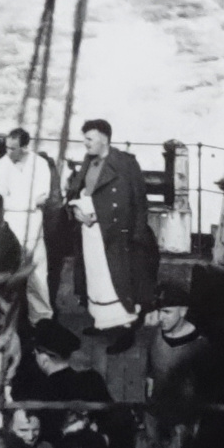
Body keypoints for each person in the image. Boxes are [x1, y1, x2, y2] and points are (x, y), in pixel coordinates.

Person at [67, 119, 159, 354]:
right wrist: (76, 212)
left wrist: (137, 239)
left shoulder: (126, 163)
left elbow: (140, 202)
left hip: (117, 236)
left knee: (117, 282)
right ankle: (102, 322)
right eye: (84, 138)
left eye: (89, 138)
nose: (85, 143)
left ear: (104, 139)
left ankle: (125, 331)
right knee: (97, 281)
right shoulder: (88, 161)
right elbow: (76, 192)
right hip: (90, 233)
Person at [144, 283, 211, 448]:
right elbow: (150, 371)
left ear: (183, 311)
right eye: (160, 311)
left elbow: (205, 391)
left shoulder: (200, 347)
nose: (161, 318)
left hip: (181, 422)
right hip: (155, 416)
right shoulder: (156, 336)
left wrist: (194, 424)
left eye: (167, 312)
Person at [0, 127, 54, 324]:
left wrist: (17, 201)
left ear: (25, 147)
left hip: (34, 227)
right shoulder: (0, 166)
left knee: (38, 276)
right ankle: (5, 318)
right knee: (9, 276)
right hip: (11, 228)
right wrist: (28, 202)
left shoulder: (40, 164)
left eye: (13, 148)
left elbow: (43, 197)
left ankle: (42, 319)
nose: (8, 152)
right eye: (7, 147)